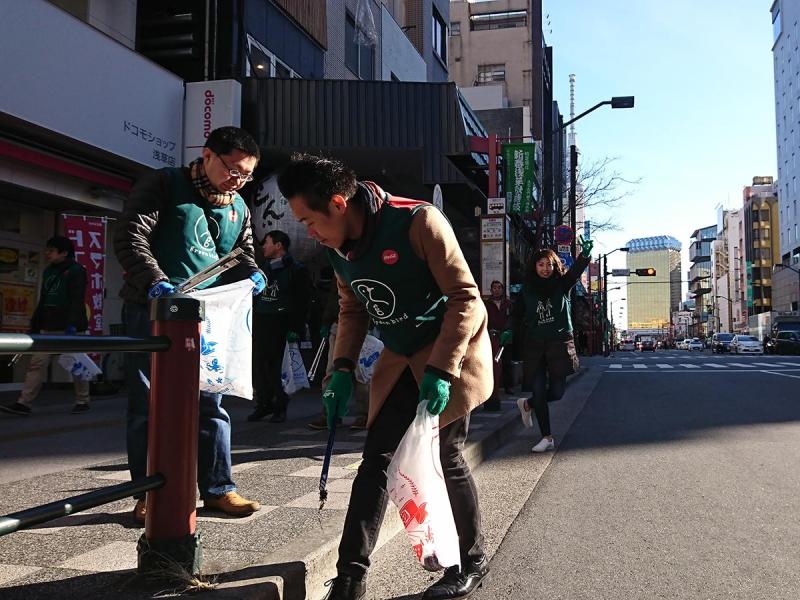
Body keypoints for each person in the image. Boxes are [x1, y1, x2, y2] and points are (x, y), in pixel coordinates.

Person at [278, 154, 493, 600]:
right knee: (375, 463)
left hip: (449, 355)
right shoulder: (338, 250)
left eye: (308, 220)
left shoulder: (418, 221)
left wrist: (441, 370)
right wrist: (340, 369)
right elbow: (353, 307)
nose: (308, 232)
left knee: (446, 459)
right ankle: (350, 577)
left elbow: (465, 298)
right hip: (400, 360)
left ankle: (470, 561)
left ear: (338, 203)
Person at [114, 126, 266, 524]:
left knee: (212, 401)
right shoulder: (164, 184)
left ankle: (218, 489)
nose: (238, 179)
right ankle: (146, 492)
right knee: (149, 403)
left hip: (208, 316)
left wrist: (254, 273)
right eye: (233, 169)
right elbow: (131, 237)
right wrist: (153, 281)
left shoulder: (238, 207)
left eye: (247, 174)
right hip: (153, 309)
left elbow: (241, 252)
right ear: (208, 155)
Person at [515, 240, 592, 453]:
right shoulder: (526, 290)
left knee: (557, 392)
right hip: (534, 345)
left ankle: (528, 404)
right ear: (534, 267)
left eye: (549, 265)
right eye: (541, 264)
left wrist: (584, 256)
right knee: (539, 390)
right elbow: (516, 315)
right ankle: (546, 437)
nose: (545, 269)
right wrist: (507, 330)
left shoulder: (562, 284)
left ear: (555, 266)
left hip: (558, 344)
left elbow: (575, 272)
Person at [0, 236, 90, 416]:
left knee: (76, 364)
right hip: (49, 326)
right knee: (37, 363)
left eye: (51, 250)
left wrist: (72, 325)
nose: (47, 253)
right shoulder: (49, 271)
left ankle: (83, 400)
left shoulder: (76, 271)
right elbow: (44, 299)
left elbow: (76, 299)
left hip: (70, 327)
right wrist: (36, 323)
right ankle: (24, 403)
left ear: (64, 253)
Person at [248, 229, 311, 423]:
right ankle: (263, 404)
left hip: (281, 323)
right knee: (259, 365)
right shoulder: (262, 269)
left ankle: (280, 406)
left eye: (267, 242)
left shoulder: (296, 269)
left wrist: (296, 328)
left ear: (278, 245)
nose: (263, 247)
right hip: (261, 320)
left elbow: (303, 302)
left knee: (278, 367)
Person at [307, 281, 369, 431]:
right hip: (339, 322)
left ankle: (365, 414)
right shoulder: (339, 265)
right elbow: (335, 298)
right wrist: (327, 321)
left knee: (363, 373)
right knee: (332, 371)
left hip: (365, 324)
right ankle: (330, 411)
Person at [484, 280, 514, 399]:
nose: (497, 290)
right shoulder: (487, 304)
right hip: (492, 336)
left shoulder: (508, 303)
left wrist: (508, 330)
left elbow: (512, 318)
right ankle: (492, 387)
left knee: (507, 362)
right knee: (493, 362)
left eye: (499, 287)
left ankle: (508, 386)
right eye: (494, 288)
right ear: (491, 290)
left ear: (502, 289)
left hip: (506, 336)